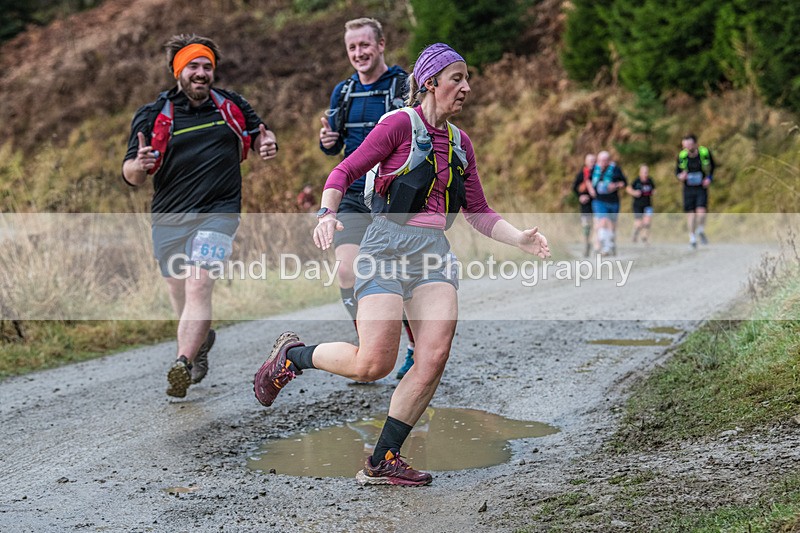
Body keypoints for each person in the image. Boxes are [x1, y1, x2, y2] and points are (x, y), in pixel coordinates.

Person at [254, 43, 550, 486]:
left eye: (467, 79)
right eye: (457, 78)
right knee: (373, 364)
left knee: (433, 356)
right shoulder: (399, 124)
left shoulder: (460, 143)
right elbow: (343, 172)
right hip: (386, 247)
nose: (466, 87)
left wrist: (520, 238)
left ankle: (383, 459)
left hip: (433, 254)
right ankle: (291, 356)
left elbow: (478, 211)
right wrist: (327, 213)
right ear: (430, 82)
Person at [122, 34, 278, 398]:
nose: (202, 73)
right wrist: (139, 165)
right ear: (178, 71)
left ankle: (182, 362)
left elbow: (258, 134)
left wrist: (266, 144)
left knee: (199, 285)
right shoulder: (153, 114)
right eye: (193, 66)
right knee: (179, 291)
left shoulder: (231, 104)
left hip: (219, 213)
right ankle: (200, 341)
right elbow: (130, 174)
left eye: (207, 66)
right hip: (169, 217)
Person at [318, 17, 415, 379]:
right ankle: (366, 348)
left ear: (381, 45)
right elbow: (336, 144)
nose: (358, 53)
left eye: (364, 45)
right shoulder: (343, 92)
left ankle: (413, 347)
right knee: (347, 269)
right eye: (352, 47)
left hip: (392, 196)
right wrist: (327, 143)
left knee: (397, 277)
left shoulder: (403, 85)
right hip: (353, 193)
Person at [675, 133, 715, 249]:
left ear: (695, 144)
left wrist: (709, 178)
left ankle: (700, 230)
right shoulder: (682, 156)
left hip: (701, 187)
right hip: (688, 188)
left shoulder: (704, 153)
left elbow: (713, 167)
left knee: (701, 212)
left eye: (689, 145)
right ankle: (692, 237)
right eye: (685, 145)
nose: (687, 148)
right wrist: (680, 176)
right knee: (691, 214)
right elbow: (677, 171)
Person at [590, 151, 627, 255]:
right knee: (603, 220)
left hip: (613, 201)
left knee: (612, 225)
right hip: (599, 200)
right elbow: (587, 180)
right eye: (600, 160)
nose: (602, 163)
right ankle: (604, 247)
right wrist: (590, 191)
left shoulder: (615, 170)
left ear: (608, 161)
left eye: (604, 161)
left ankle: (610, 244)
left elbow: (624, 182)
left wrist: (615, 185)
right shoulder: (594, 169)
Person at [571, 153, 596, 257]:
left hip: (596, 203)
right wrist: (580, 196)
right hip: (585, 205)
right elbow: (574, 187)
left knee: (596, 225)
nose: (592, 163)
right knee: (586, 225)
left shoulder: (598, 173)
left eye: (594, 161)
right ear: (585, 162)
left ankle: (596, 245)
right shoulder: (582, 174)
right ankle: (587, 244)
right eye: (590, 161)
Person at [626, 164, 655, 244]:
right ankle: (635, 233)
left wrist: (653, 192)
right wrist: (634, 193)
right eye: (644, 172)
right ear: (640, 173)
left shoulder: (650, 181)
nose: (645, 174)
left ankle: (645, 238)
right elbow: (628, 188)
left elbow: (653, 189)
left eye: (646, 172)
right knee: (639, 223)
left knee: (647, 222)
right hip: (638, 205)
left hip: (648, 204)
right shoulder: (637, 181)